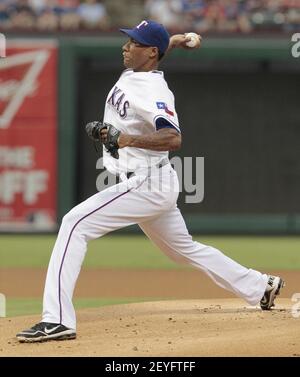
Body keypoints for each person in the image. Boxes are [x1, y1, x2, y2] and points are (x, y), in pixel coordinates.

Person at [17, 20, 284, 343]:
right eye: (128, 40)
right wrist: (181, 38)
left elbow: (173, 138)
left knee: (74, 224)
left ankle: (57, 319)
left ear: (150, 53)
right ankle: (261, 286)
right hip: (152, 182)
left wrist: (126, 139)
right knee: (183, 250)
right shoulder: (137, 70)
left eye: (134, 43)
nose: (126, 46)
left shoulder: (155, 91)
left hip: (146, 183)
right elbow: (163, 44)